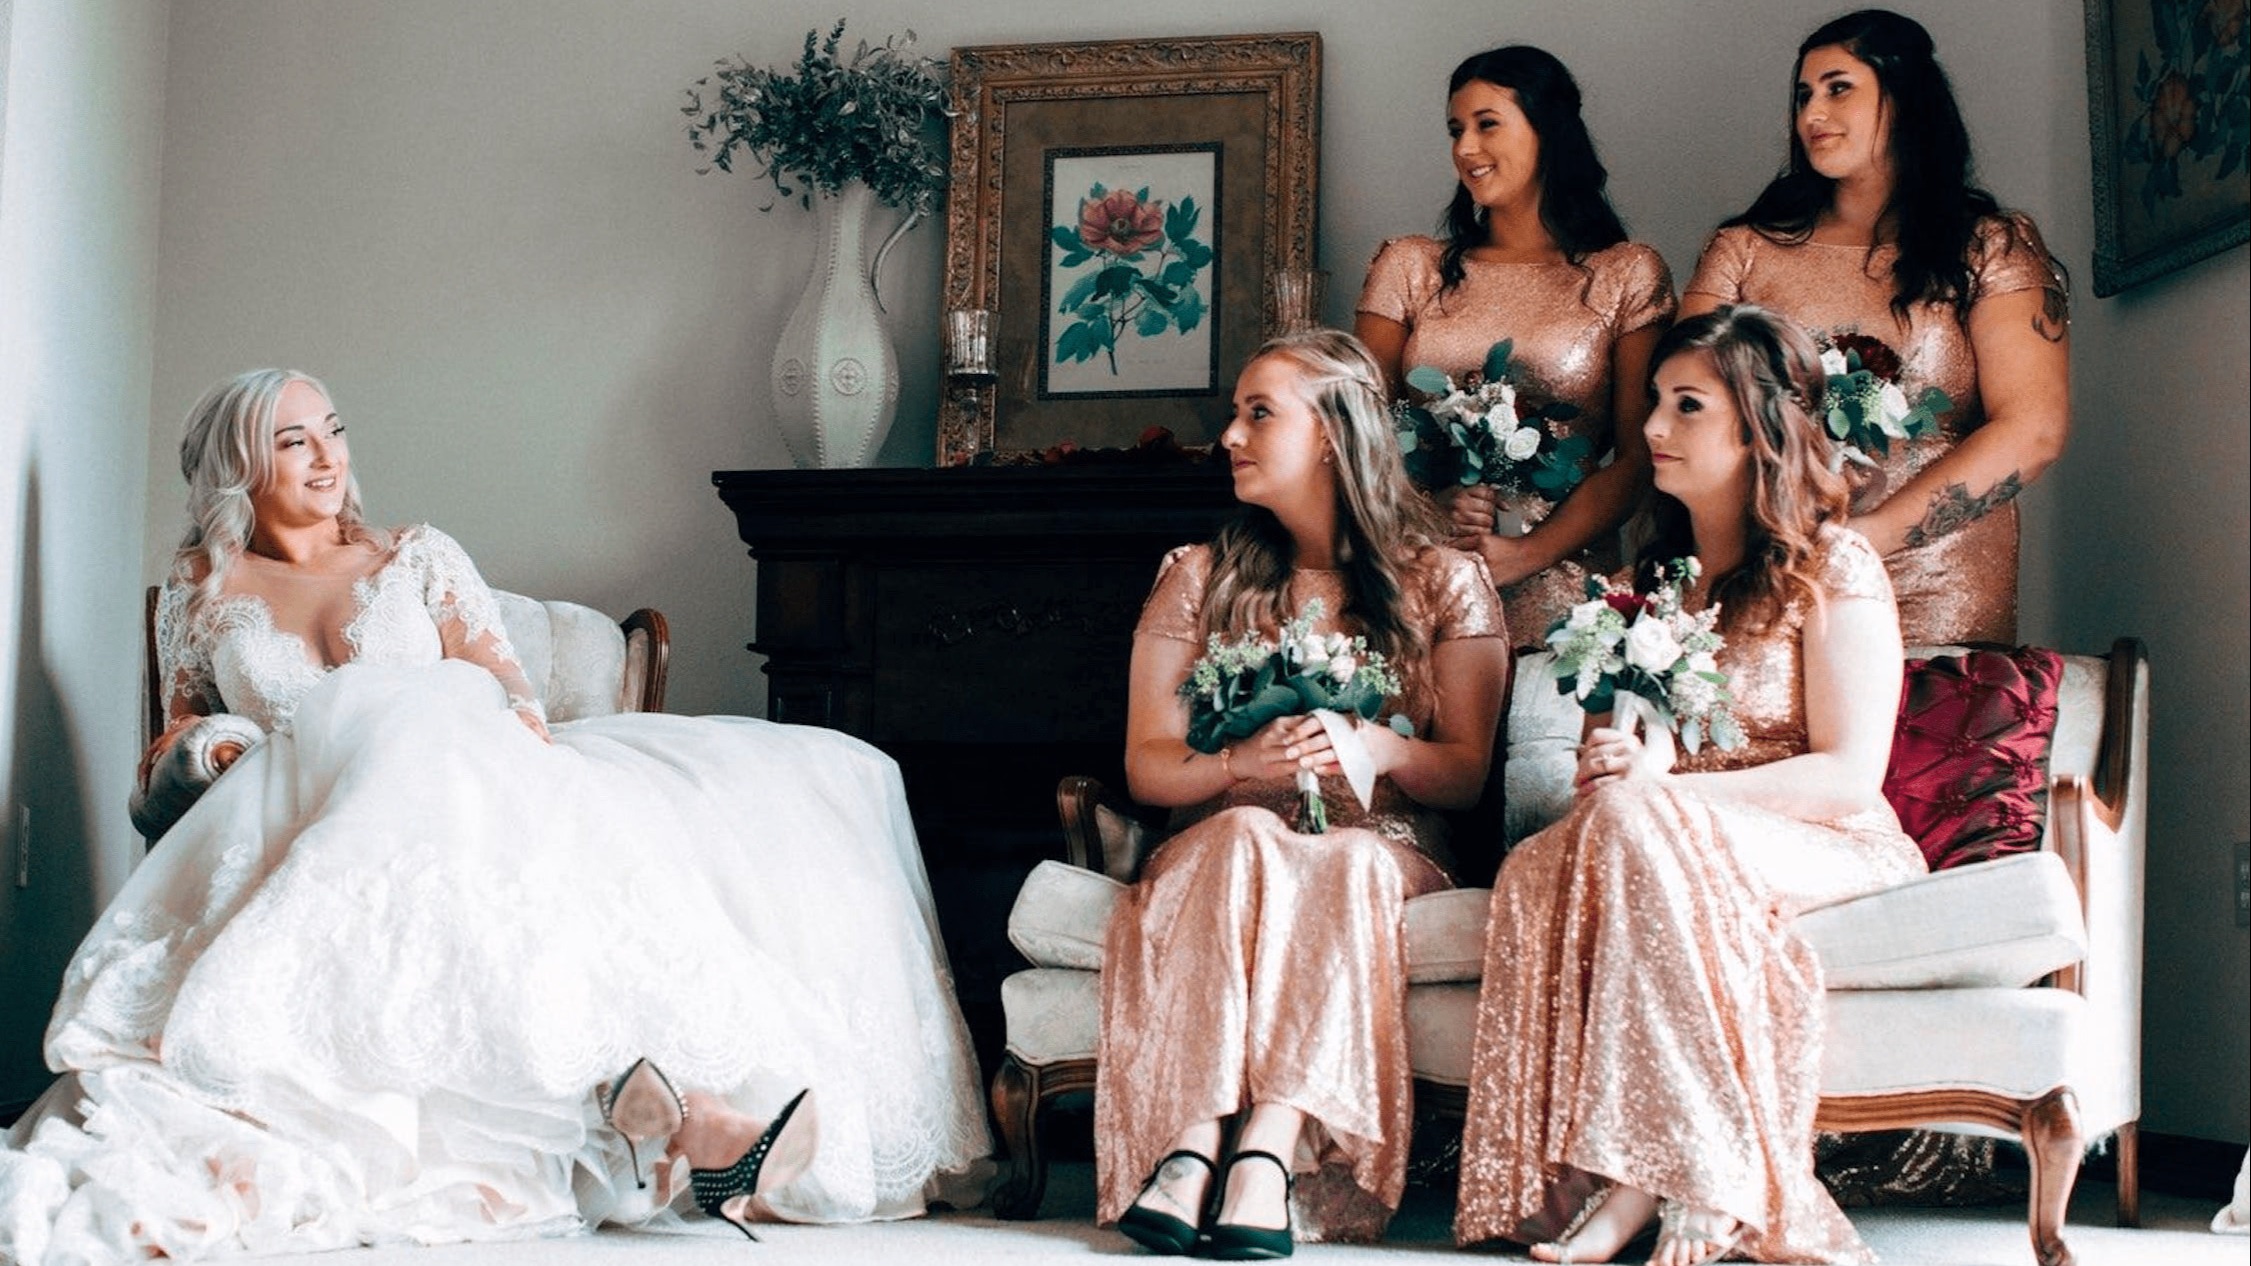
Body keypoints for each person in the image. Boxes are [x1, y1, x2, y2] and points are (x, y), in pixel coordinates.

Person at [0, 370, 991, 1261]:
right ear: (237, 465)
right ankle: (664, 1117)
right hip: (300, 820)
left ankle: (670, 1108)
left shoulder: (417, 556)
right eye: (295, 438)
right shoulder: (204, 589)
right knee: (387, 771)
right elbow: (171, 748)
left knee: (430, 737)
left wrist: (413, 740)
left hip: (465, 792)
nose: (329, 456)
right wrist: (209, 746)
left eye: (334, 430)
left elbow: (510, 700)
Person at [1452, 306, 1927, 1265]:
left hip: (1825, 838)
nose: (1655, 432)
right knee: (1544, 863)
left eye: (1686, 407)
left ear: (1760, 426)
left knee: (1635, 827)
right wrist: (1615, 767)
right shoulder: (1644, 586)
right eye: (1654, 407)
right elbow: (1610, 779)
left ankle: (1674, 1178)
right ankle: (1626, 1176)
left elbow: (1848, 775)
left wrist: (1667, 793)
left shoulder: (1831, 566)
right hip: (1661, 837)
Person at [1097, 331, 1508, 1256]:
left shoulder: (1445, 580)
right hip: (1225, 833)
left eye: (1256, 413)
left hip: (1382, 841)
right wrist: (1241, 766)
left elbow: (1465, 771)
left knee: (1348, 858)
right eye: (1235, 415)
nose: (1228, 437)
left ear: (1329, 434)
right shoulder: (1198, 576)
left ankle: (1268, 1152)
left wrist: (1371, 744)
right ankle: (1190, 1147)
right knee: (1245, 832)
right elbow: (1147, 767)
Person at [1681, 7, 2069, 647]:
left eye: (1838, 88)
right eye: (1803, 94)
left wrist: (1869, 538)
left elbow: (2035, 427)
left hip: (1939, 578)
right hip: (1773, 567)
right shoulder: (1743, 249)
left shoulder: (1988, 246)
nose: (1811, 115)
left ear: (1905, 99)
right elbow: (1686, 402)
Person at [1356, 44, 1674, 645]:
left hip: (1568, 594)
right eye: (1456, 130)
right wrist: (1433, 506)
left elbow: (1637, 461)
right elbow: (1360, 435)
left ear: (1548, 130)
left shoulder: (1625, 274)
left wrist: (1526, 553)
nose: (1465, 149)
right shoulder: (1410, 268)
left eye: (1486, 124)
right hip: (1426, 575)